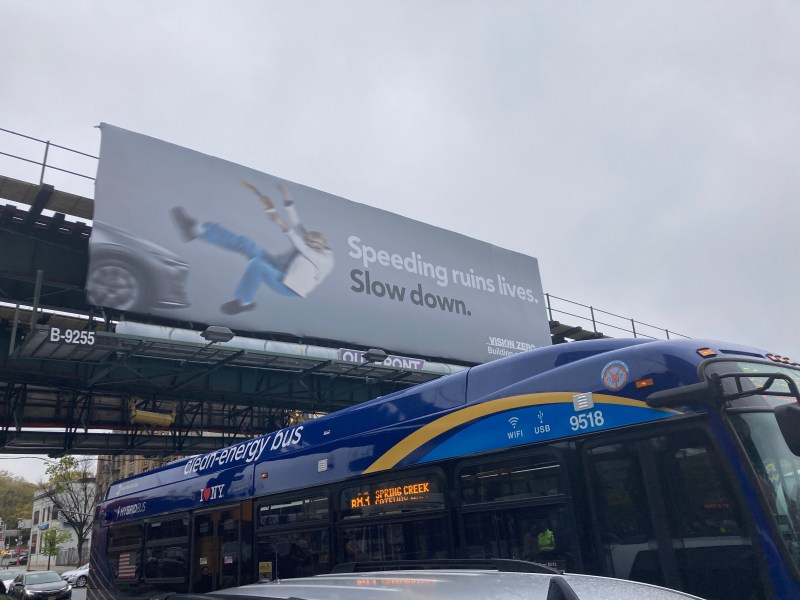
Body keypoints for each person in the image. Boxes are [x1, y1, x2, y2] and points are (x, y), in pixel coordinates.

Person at [171, 180, 334, 314]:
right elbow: (297, 224)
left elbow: (300, 244)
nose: (305, 243)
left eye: (309, 244)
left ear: (317, 247)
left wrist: (280, 223)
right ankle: (197, 231)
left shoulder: (323, 260)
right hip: (280, 267)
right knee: (245, 244)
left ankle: (244, 302)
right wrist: (288, 199)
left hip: (288, 285)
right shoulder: (312, 241)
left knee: (257, 265)